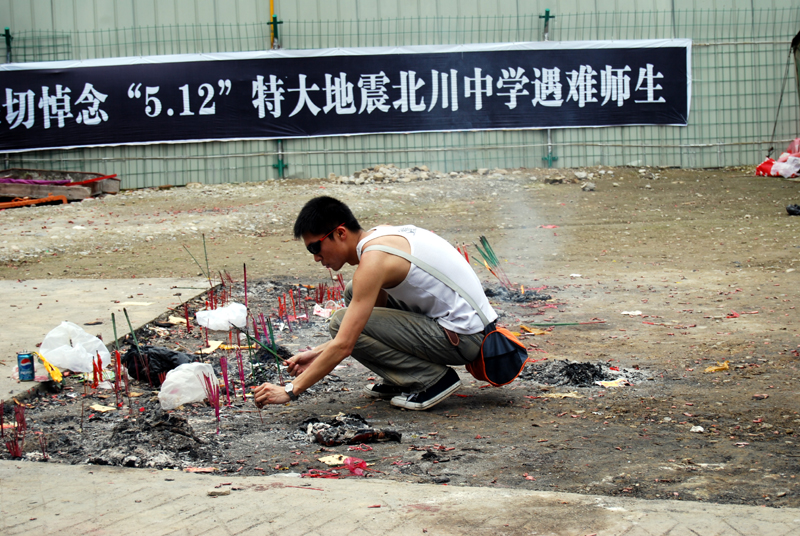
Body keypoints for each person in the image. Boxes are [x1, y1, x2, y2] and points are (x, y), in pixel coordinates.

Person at [253, 196, 497, 411]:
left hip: (467, 339)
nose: (316, 258)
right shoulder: (380, 235)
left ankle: (431, 380)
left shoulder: (372, 262)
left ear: (340, 233)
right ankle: (401, 377)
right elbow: (369, 320)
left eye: (316, 247)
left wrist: (289, 390)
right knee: (354, 294)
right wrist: (316, 353)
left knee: (340, 321)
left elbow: (345, 343)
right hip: (469, 328)